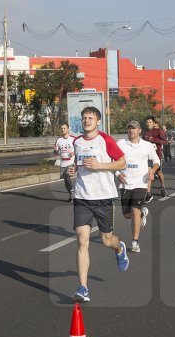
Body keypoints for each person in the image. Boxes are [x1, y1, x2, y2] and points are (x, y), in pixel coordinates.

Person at [68, 106, 129, 303]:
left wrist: (100, 165)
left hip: (103, 197)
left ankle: (120, 249)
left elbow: (122, 163)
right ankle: (83, 288)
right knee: (82, 240)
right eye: (84, 117)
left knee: (106, 240)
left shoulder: (105, 140)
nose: (86, 121)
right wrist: (72, 170)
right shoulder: (76, 142)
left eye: (90, 118)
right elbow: (78, 164)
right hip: (82, 198)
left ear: (98, 121)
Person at [116, 121, 160, 253]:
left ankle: (135, 241)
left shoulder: (146, 146)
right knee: (126, 214)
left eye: (134, 128)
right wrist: (118, 173)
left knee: (135, 211)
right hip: (125, 183)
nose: (131, 131)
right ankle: (142, 215)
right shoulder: (121, 144)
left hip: (140, 183)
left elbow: (156, 161)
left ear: (139, 130)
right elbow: (114, 161)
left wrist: (152, 171)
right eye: (129, 128)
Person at [143, 116, 168, 198]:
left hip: (157, 156)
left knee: (159, 173)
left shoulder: (158, 131)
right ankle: (148, 193)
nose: (148, 124)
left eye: (150, 122)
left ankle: (163, 186)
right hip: (147, 156)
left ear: (154, 123)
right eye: (147, 122)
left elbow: (165, 142)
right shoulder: (144, 132)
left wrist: (154, 140)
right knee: (148, 172)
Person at [54, 123, 76, 202]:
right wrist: (56, 150)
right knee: (66, 181)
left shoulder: (73, 139)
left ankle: (72, 191)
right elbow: (56, 152)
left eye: (64, 128)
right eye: (62, 128)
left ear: (68, 129)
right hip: (63, 162)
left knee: (67, 176)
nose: (63, 130)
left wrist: (73, 153)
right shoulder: (59, 140)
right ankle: (71, 193)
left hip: (71, 162)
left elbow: (78, 149)